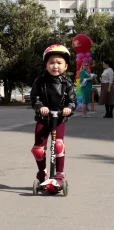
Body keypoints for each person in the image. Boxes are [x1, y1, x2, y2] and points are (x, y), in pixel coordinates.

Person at [30, 44, 76, 186]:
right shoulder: (40, 81)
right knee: (38, 149)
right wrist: (40, 107)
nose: (55, 66)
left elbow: (72, 100)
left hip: (59, 119)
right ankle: (42, 172)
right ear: (46, 65)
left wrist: (68, 108)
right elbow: (35, 98)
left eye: (59, 63)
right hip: (43, 119)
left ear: (66, 66)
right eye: (51, 62)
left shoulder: (67, 83)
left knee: (58, 146)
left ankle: (59, 174)